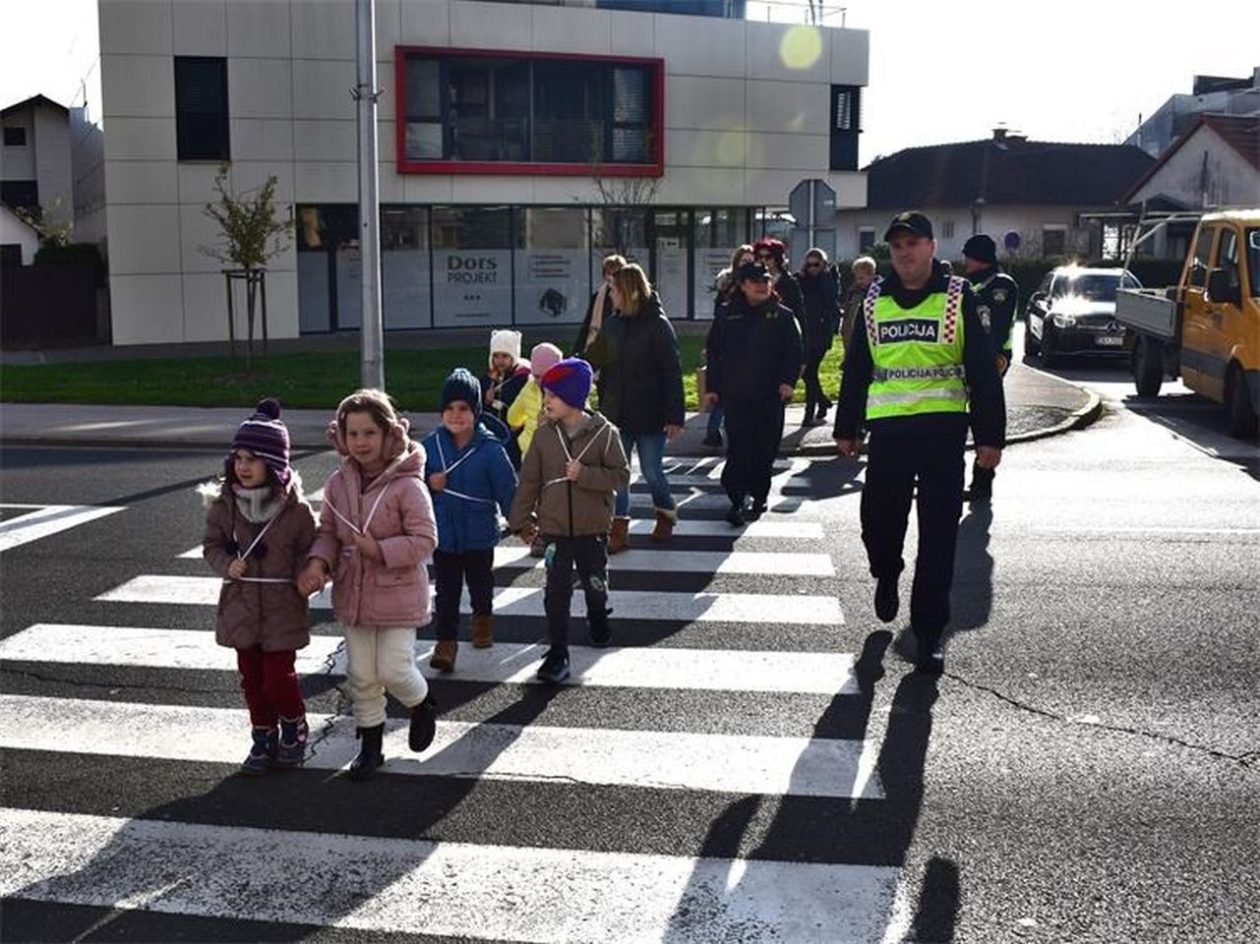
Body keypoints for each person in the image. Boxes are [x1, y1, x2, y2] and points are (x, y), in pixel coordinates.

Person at [833, 211, 1005, 674]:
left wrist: (990, 437)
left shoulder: (956, 296)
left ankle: (929, 633)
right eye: (897, 246)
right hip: (888, 435)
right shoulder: (874, 299)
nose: (904, 253)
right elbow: (856, 369)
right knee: (878, 523)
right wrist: (845, 426)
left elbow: (982, 370)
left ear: (932, 247)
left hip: (942, 434)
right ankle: (886, 572)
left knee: (938, 538)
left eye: (913, 243)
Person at [297, 389, 440, 780]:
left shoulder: (408, 486)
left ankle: (421, 703)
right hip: (354, 593)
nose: (360, 442)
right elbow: (327, 531)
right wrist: (317, 563)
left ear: (389, 435)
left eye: (369, 433)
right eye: (352, 433)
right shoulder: (338, 484)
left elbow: (425, 539)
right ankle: (371, 744)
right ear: (342, 436)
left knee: (393, 669)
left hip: (397, 593)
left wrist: (379, 549)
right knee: (361, 673)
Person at [202, 398, 317, 775]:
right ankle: (262, 733)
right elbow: (213, 546)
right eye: (238, 458)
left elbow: (309, 548)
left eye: (253, 459)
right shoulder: (226, 505)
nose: (243, 467)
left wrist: (307, 576)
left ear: (275, 464)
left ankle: (293, 722)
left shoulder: (296, 511)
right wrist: (226, 565)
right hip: (242, 602)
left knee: (277, 677)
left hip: (282, 603)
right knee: (251, 678)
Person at [508, 358, 630, 683]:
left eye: (553, 395)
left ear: (574, 398)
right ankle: (558, 653)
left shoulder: (605, 434)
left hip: (593, 528)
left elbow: (621, 476)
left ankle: (598, 613)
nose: (546, 400)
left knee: (594, 581)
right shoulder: (545, 436)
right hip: (555, 529)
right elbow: (529, 480)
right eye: (546, 394)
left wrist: (585, 475)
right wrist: (520, 521)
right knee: (556, 591)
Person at [422, 369, 518, 674]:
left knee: (481, 583)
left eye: (464, 408)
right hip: (445, 534)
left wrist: (520, 521)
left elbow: (507, 489)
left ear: (476, 412)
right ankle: (445, 643)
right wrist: (428, 483)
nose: (456, 415)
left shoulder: (490, 451)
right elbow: (410, 486)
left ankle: (482, 620)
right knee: (446, 591)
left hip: (479, 534)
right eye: (449, 408)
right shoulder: (429, 448)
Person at [586, 263, 684, 550]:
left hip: (651, 413)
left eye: (614, 290)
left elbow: (672, 371)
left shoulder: (658, 325)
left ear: (626, 291)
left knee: (653, 471)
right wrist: (566, 370)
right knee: (619, 473)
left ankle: (665, 512)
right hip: (616, 413)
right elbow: (593, 358)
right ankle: (618, 527)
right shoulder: (613, 325)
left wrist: (674, 415)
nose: (610, 295)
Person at [703, 260, 803, 526]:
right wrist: (712, 388)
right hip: (736, 395)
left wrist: (788, 381)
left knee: (764, 448)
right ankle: (737, 500)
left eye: (766, 281)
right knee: (739, 448)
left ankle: (759, 495)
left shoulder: (783, 316)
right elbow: (713, 353)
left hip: (770, 395)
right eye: (756, 281)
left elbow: (794, 353)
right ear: (743, 285)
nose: (762, 285)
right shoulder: (727, 315)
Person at [960, 233, 1019, 505]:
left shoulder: (1001, 285)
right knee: (965, 414)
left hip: (994, 357)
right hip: (968, 357)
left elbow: (995, 325)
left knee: (985, 413)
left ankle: (982, 481)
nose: (965, 261)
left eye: (968, 256)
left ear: (977, 257)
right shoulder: (969, 284)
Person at [703, 244, 755, 448]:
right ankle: (713, 432)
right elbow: (719, 316)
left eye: (750, 261)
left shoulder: (758, 284)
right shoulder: (728, 285)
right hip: (727, 346)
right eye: (743, 261)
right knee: (722, 393)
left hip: (747, 348)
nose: (747, 265)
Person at [798, 247, 841, 425]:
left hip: (821, 331)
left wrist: (824, 275)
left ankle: (810, 413)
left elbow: (832, 300)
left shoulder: (828, 279)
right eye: (809, 265)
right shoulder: (802, 280)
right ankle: (822, 401)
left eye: (816, 264)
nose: (812, 268)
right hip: (807, 330)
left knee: (809, 371)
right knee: (808, 372)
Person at [507, 341, 563, 459]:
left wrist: (520, 421)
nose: (541, 382)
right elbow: (512, 418)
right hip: (552, 455)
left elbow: (513, 419)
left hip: (537, 453)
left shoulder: (529, 387)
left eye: (547, 376)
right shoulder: (567, 390)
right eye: (537, 376)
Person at [573, 254, 627, 357]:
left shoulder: (629, 297)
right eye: (608, 273)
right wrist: (577, 351)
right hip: (601, 347)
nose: (611, 276)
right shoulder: (598, 296)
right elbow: (588, 324)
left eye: (615, 273)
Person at [753, 237, 806, 331]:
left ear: (777, 258)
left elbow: (799, 313)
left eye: (768, 257)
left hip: (783, 329)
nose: (763, 260)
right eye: (759, 257)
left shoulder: (789, 282)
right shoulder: (752, 280)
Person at [840, 256, 877, 355]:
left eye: (862, 278)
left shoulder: (877, 292)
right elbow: (847, 312)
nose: (858, 281)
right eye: (856, 278)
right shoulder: (853, 291)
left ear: (871, 276)